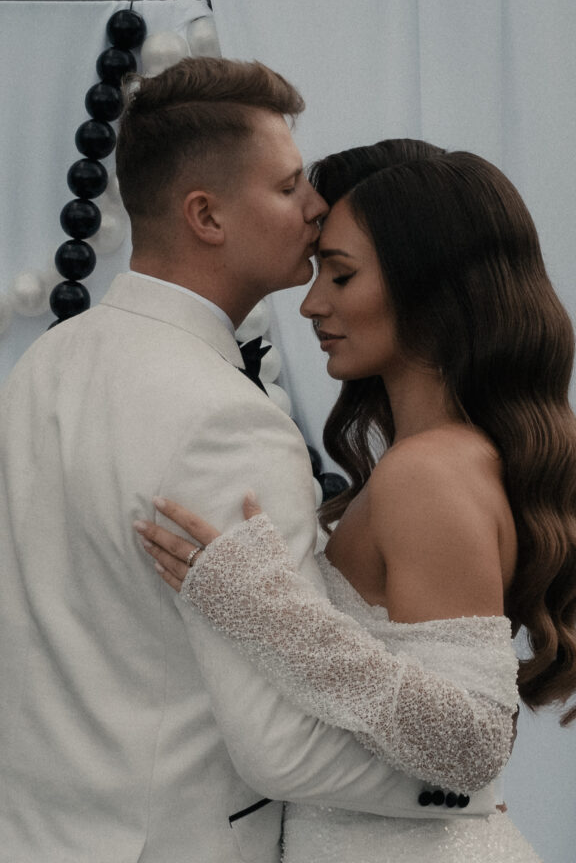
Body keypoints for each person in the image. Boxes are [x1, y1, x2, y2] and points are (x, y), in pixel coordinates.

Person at [0, 67, 496, 863]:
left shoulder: (44, 363)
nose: (315, 207)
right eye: (289, 185)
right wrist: (463, 793)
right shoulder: (227, 421)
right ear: (206, 215)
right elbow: (282, 751)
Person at [134, 139, 576, 862]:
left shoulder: (427, 473)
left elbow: (471, 744)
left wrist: (265, 610)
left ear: (428, 285)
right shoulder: (435, 459)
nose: (311, 303)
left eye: (341, 275)